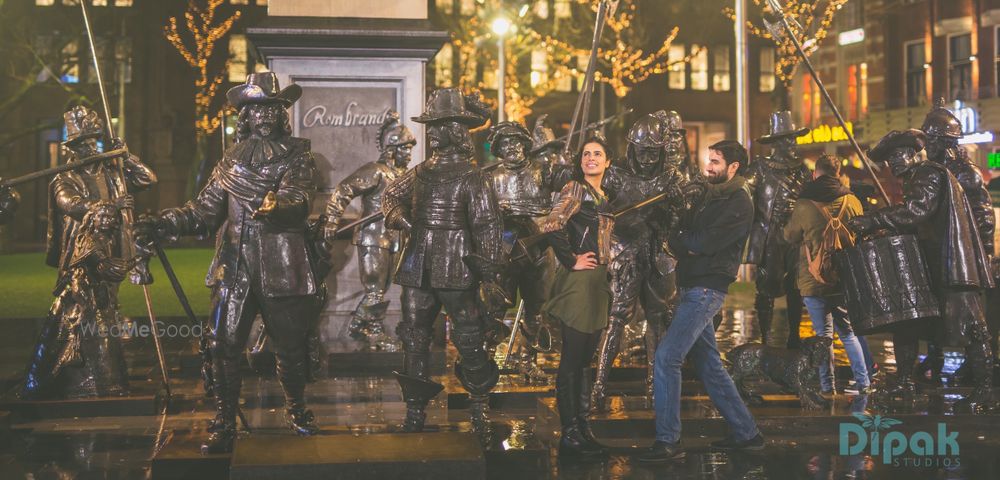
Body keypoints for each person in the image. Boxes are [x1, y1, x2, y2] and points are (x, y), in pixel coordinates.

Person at [136, 72, 324, 452]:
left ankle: (297, 408)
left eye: (272, 108)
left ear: (281, 112)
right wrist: (163, 222)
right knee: (223, 344)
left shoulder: (298, 155)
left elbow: (300, 198)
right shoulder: (229, 163)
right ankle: (224, 418)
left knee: (288, 346)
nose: (265, 116)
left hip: (282, 264)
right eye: (257, 110)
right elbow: (202, 212)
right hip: (234, 267)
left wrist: (278, 204)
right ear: (247, 116)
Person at [382, 88, 506, 434]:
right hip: (417, 264)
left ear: (455, 130)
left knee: (469, 337)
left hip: (457, 264)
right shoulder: (420, 172)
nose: (432, 132)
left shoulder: (472, 176)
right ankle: (415, 411)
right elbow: (391, 195)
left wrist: (490, 270)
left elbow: (487, 225)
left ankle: (479, 407)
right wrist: (402, 218)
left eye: (439, 126)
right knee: (415, 338)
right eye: (430, 126)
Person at [847, 129, 995, 412]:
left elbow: (916, 211)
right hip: (934, 265)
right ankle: (903, 380)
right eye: (890, 160)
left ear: (914, 154)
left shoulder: (929, 174)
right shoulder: (918, 177)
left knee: (973, 329)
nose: (895, 163)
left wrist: (874, 219)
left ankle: (984, 391)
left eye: (899, 155)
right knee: (909, 322)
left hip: (954, 266)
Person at [639, 140, 762, 463]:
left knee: (667, 357)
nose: (708, 166)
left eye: (716, 162)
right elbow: (685, 231)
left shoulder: (738, 201)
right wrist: (679, 235)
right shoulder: (710, 195)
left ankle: (668, 441)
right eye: (709, 160)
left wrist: (678, 242)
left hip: (707, 288)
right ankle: (747, 433)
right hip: (692, 284)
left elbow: (702, 242)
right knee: (709, 365)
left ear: (733, 167)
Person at [22, 105, 156, 400]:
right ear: (73, 147)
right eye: (83, 143)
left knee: (107, 304)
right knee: (85, 308)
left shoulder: (113, 170)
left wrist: (127, 157)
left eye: (93, 140)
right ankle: (83, 373)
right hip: (83, 250)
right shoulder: (64, 177)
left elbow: (148, 179)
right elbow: (69, 203)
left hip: (114, 245)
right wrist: (102, 207)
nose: (90, 147)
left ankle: (104, 371)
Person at [592, 112, 684, 409]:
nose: (646, 158)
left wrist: (677, 201)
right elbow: (601, 214)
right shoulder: (614, 175)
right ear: (631, 148)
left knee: (658, 322)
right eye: (642, 151)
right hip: (626, 255)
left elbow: (677, 223)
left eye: (652, 152)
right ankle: (599, 385)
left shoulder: (671, 176)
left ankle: (655, 387)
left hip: (658, 255)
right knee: (616, 320)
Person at [539, 134, 615, 460]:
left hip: (599, 284)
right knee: (572, 361)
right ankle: (569, 432)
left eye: (597, 154)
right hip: (578, 284)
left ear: (607, 161)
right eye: (586, 154)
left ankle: (584, 428)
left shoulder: (603, 195)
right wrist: (572, 260)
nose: (591, 158)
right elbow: (552, 224)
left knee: (586, 362)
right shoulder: (575, 189)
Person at [323, 110, 414, 351]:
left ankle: (359, 326)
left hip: (394, 239)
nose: (409, 154)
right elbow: (343, 190)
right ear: (392, 150)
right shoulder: (376, 171)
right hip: (373, 238)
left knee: (382, 289)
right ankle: (372, 331)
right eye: (405, 148)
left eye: (409, 149)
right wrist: (332, 220)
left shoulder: (401, 177)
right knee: (374, 289)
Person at [22, 201, 133, 399]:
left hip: (95, 292)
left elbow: (105, 270)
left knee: (104, 336)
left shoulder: (103, 239)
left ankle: (106, 382)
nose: (107, 220)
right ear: (93, 218)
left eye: (111, 217)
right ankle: (88, 384)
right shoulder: (90, 241)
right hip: (81, 294)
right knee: (93, 336)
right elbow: (106, 267)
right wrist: (131, 264)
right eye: (102, 216)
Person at [782, 154, 870, 395]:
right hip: (844, 278)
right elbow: (861, 233)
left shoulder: (803, 204)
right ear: (838, 173)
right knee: (849, 333)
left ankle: (827, 386)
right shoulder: (852, 201)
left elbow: (790, 236)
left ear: (815, 173)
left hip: (813, 279)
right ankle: (864, 383)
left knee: (823, 336)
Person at [486, 120, 557, 383]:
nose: (511, 147)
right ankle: (487, 357)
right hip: (505, 248)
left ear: (526, 145)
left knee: (535, 309)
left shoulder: (543, 172)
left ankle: (527, 360)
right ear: (498, 149)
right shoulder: (491, 177)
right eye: (505, 143)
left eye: (516, 142)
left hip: (538, 246)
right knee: (495, 306)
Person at [746, 111, 810, 348]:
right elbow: (744, 193)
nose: (793, 143)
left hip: (796, 235)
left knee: (796, 287)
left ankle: (794, 336)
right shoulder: (760, 168)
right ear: (776, 142)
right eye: (788, 139)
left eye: (794, 138)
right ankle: (765, 338)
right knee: (766, 287)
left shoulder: (803, 170)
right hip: (769, 235)